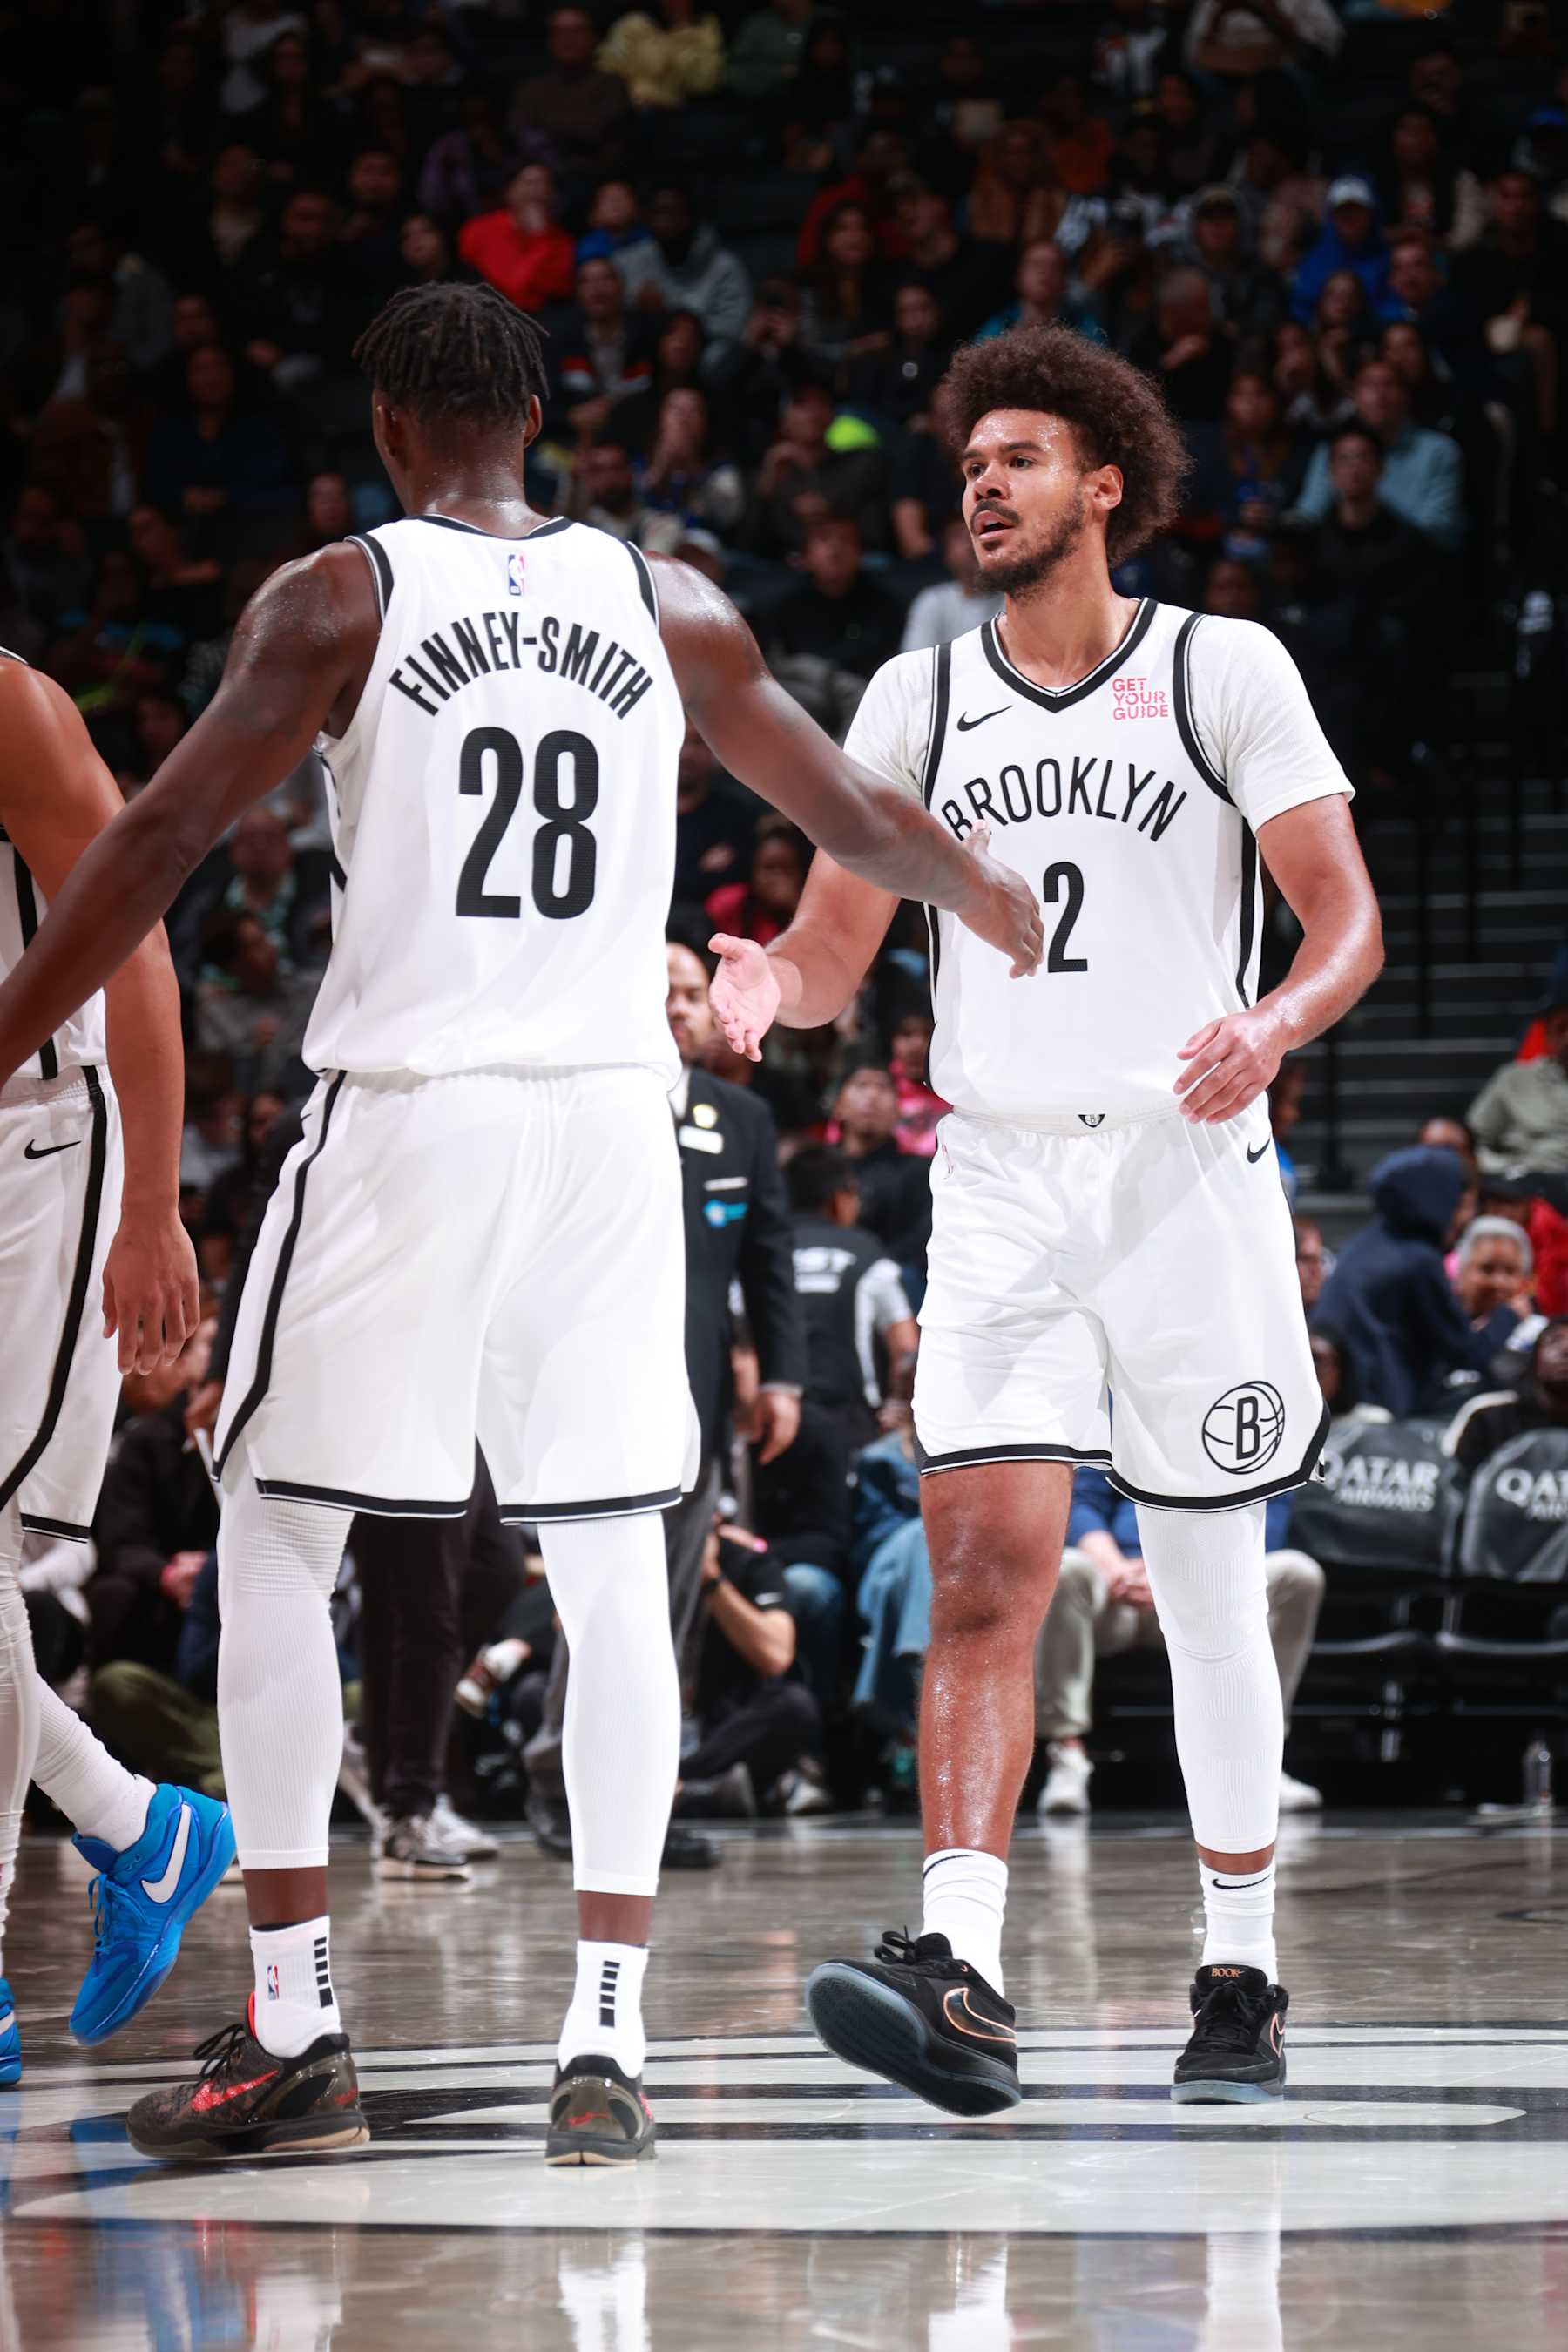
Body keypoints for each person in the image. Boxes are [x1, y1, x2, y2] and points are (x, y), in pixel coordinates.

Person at [0, 282, 1037, 2166]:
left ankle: (298, 2032)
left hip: (408, 1116)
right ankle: (609, 2044)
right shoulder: (674, 606)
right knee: (613, 1554)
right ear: (536, 422)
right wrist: (991, 894)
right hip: (604, 1131)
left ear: (393, 431)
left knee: (274, 1522)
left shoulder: (338, 595)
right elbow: (855, 807)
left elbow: (151, 845)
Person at [710, 320, 1382, 2112]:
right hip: (1000, 1179)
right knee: (983, 1571)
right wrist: (756, 1001)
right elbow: (834, 962)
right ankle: (962, 1969)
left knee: (1217, 1591)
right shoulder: (915, 698)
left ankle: (1238, 1972)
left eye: (1016, 458)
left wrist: (1275, 1020)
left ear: (1106, 483)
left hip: (1186, 1172)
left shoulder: (1224, 667)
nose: (980, 487)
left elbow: (1346, 921)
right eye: (967, 465)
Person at [0, 652, 227, 2087]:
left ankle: (137, 1834)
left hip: (30, 1150)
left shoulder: (11, 705)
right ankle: (143, 1830)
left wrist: (151, 1206)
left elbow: (133, 934)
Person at [522, 936, 807, 1869]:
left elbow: (770, 1260)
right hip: (592, 1391)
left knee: (670, 1605)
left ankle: (637, 1796)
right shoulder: (583, 1110)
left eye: (692, 992)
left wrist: (782, 1379)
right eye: (664, 993)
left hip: (699, 1405)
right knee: (598, 1593)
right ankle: (558, 1784)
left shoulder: (743, 1117)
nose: (681, 1007)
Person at [1034, 1464, 1325, 1818]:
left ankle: (1258, 1766)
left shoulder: (1238, 1419)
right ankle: (1067, 1756)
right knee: (1067, 1568)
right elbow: (1081, 1504)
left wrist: (1178, 1577)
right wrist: (1116, 1571)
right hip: (1120, 1591)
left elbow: (1264, 1525)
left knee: (1297, 1572)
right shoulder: (1118, 1413)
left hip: (1210, 1593)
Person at [1315, 1146, 1524, 1418]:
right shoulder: (1417, 1259)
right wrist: (1509, 1315)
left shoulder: (1368, 1241)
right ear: (1436, 1200)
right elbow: (1467, 1352)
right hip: (1374, 1410)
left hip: (1342, 1401)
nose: (1466, 1218)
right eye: (1462, 1204)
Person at [1467, 995, 1568, 1179]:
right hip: (1532, 1181)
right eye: (1561, 1029)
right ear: (1547, 1036)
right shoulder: (1514, 1079)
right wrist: (1508, 1168)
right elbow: (1475, 1137)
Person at [901, 517, 1004, 656]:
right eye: (960, 536)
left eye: (980, 533)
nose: (971, 544)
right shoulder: (932, 600)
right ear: (946, 553)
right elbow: (915, 664)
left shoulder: (1019, 598)